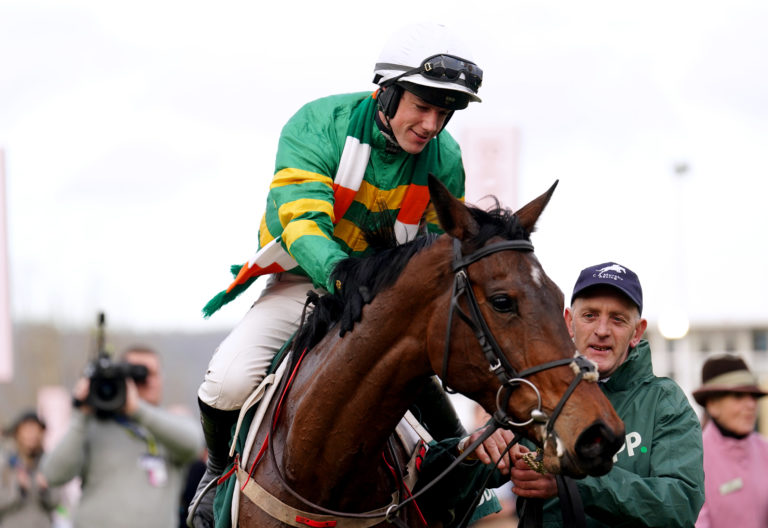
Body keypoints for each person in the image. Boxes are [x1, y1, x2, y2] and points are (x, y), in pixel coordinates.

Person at [190, 21, 499, 528]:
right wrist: (338, 275)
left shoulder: (447, 161)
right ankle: (217, 476)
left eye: (443, 113)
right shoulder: (318, 124)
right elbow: (301, 218)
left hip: (389, 300)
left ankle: (465, 500)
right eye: (422, 106)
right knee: (227, 382)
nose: (431, 124)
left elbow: (443, 254)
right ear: (389, 91)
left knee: (422, 378)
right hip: (309, 280)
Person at [500, 262, 705, 527]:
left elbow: (680, 505)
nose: (602, 330)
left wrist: (572, 483)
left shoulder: (664, 402)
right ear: (569, 323)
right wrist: (480, 446)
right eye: (590, 315)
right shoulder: (532, 394)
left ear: (637, 332)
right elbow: (458, 483)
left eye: (617, 319)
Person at [40, 345, 203, 528]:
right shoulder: (93, 425)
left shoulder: (172, 427)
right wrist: (80, 415)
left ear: (161, 379)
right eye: (138, 374)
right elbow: (52, 474)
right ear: (122, 378)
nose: (146, 380)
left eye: (152, 373)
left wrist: (137, 409)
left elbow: (194, 444)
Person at [692, 354, 768, 528]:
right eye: (738, 396)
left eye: (753, 396)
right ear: (712, 404)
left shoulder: (766, 451)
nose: (751, 405)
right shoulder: (694, 459)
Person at [0, 411, 61, 527]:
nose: (32, 436)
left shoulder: (48, 464)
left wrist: (45, 490)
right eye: (27, 430)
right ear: (17, 433)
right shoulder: (5, 464)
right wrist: (18, 489)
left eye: (35, 430)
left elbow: (57, 502)